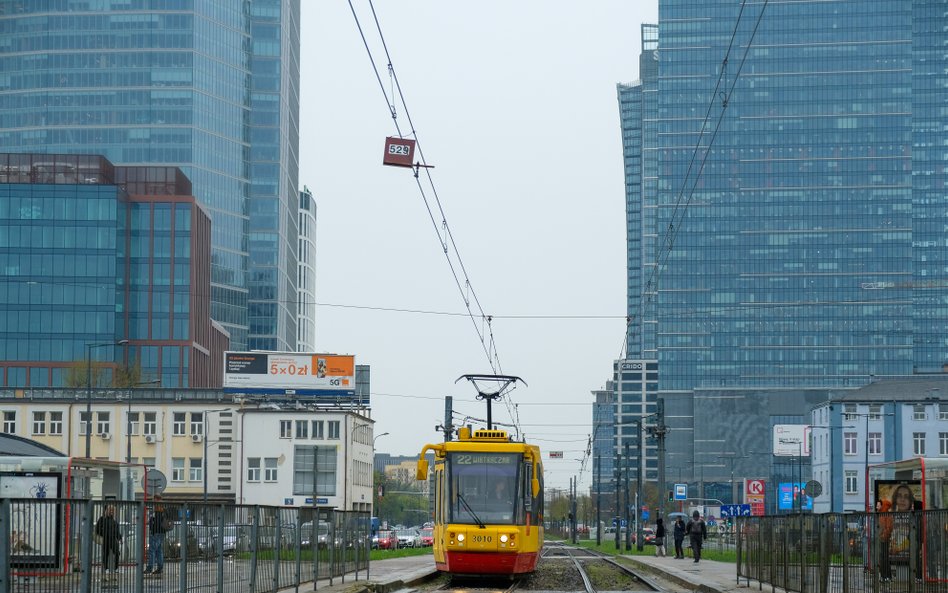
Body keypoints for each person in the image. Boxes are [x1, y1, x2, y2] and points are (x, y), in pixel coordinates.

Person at [880, 484, 921, 583]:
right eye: (899, 496)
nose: (902, 499)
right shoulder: (890, 515)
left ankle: (917, 577)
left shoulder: (915, 516)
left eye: (906, 497)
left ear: (911, 500)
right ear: (895, 498)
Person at [95, 505, 122, 582]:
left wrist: (120, 538)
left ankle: (116, 568)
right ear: (106, 511)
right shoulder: (102, 519)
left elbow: (117, 532)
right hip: (106, 539)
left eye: (112, 510)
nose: (111, 512)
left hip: (113, 539)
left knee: (117, 553)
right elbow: (97, 530)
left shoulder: (114, 522)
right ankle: (106, 568)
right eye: (110, 510)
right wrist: (104, 533)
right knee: (105, 554)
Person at [145, 496, 169, 576]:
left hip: (156, 533)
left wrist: (151, 520)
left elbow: (154, 523)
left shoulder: (157, 511)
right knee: (159, 550)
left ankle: (150, 567)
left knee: (152, 550)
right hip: (162, 533)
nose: (153, 501)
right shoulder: (164, 511)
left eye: (154, 500)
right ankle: (160, 567)